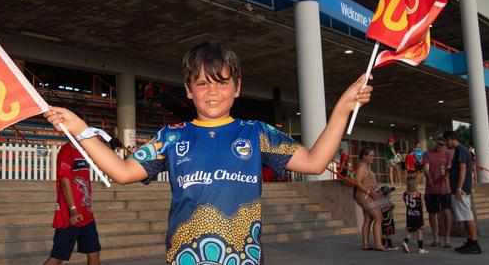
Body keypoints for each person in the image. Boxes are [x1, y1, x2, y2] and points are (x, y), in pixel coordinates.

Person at [43, 41, 373, 264]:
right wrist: (79, 129)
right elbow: (121, 171)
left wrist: (342, 109)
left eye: (221, 82)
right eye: (202, 83)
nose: (212, 91)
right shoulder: (172, 137)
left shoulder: (256, 133)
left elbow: (315, 162)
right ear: (188, 90)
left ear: (238, 86)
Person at [44, 141, 101, 265]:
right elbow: (65, 182)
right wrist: (73, 210)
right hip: (70, 215)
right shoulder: (66, 151)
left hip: (86, 214)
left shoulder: (82, 151)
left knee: (94, 251)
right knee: (58, 256)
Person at [444, 130, 482, 254]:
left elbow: (463, 169)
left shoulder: (461, 150)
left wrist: (459, 188)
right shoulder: (459, 150)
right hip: (459, 189)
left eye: (446, 141)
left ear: (450, 138)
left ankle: (474, 243)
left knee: (467, 215)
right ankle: (470, 241)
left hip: (461, 190)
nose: (445, 144)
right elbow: (458, 168)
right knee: (464, 217)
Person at [354, 147, 390, 251]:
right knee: (379, 218)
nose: (372, 157)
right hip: (366, 196)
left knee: (368, 219)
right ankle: (378, 244)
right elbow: (357, 181)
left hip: (365, 196)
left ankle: (366, 244)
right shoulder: (362, 166)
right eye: (370, 155)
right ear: (364, 156)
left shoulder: (365, 166)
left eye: (373, 155)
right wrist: (369, 192)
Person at [422, 136, 453, 247]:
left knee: (446, 212)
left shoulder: (448, 153)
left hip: (445, 188)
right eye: (438, 144)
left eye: (442, 145)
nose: (440, 146)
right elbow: (426, 167)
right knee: (432, 213)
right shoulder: (428, 153)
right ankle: (435, 237)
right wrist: (429, 178)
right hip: (431, 189)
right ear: (435, 143)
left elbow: (449, 166)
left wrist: (447, 174)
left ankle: (447, 237)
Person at [401, 175, 428, 254]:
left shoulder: (405, 194)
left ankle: (405, 242)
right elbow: (422, 204)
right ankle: (421, 248)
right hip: (417, 214)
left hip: (409, 214)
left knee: (411, 229)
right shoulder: (418, 194)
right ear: (415, 184)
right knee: (419, 230)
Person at [379, 186, 398, 250]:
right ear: (386, 194)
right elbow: (381, 211)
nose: (390, 195)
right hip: (385, 220)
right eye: (390, 193)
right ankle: (385, 244)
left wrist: (392, 207)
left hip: (389, 219)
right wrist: (389, 207)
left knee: (389, 232)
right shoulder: (382, 201)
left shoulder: (388, 200)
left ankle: (388, 245)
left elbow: (390, 210)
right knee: (385, 232)